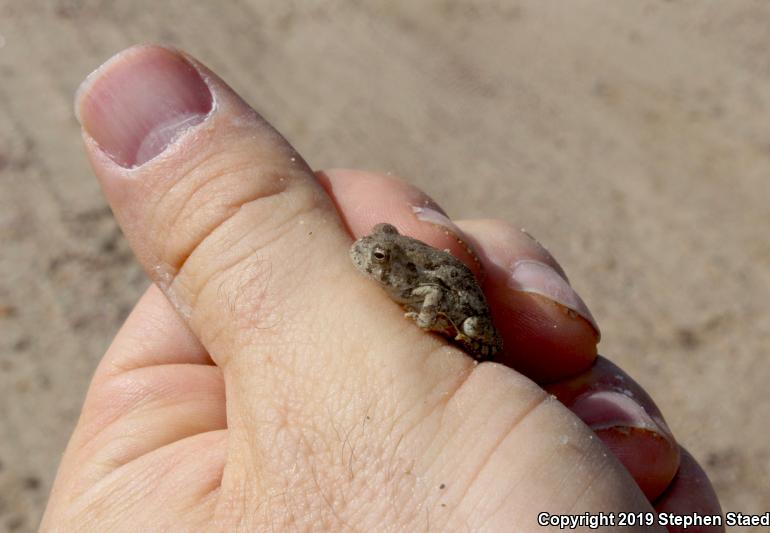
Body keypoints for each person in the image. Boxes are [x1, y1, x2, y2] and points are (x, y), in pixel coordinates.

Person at [41, 45, 722, 532]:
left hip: (469, 320)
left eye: (379, 258)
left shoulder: (410, 282)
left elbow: (434, 300)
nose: (367, 261)